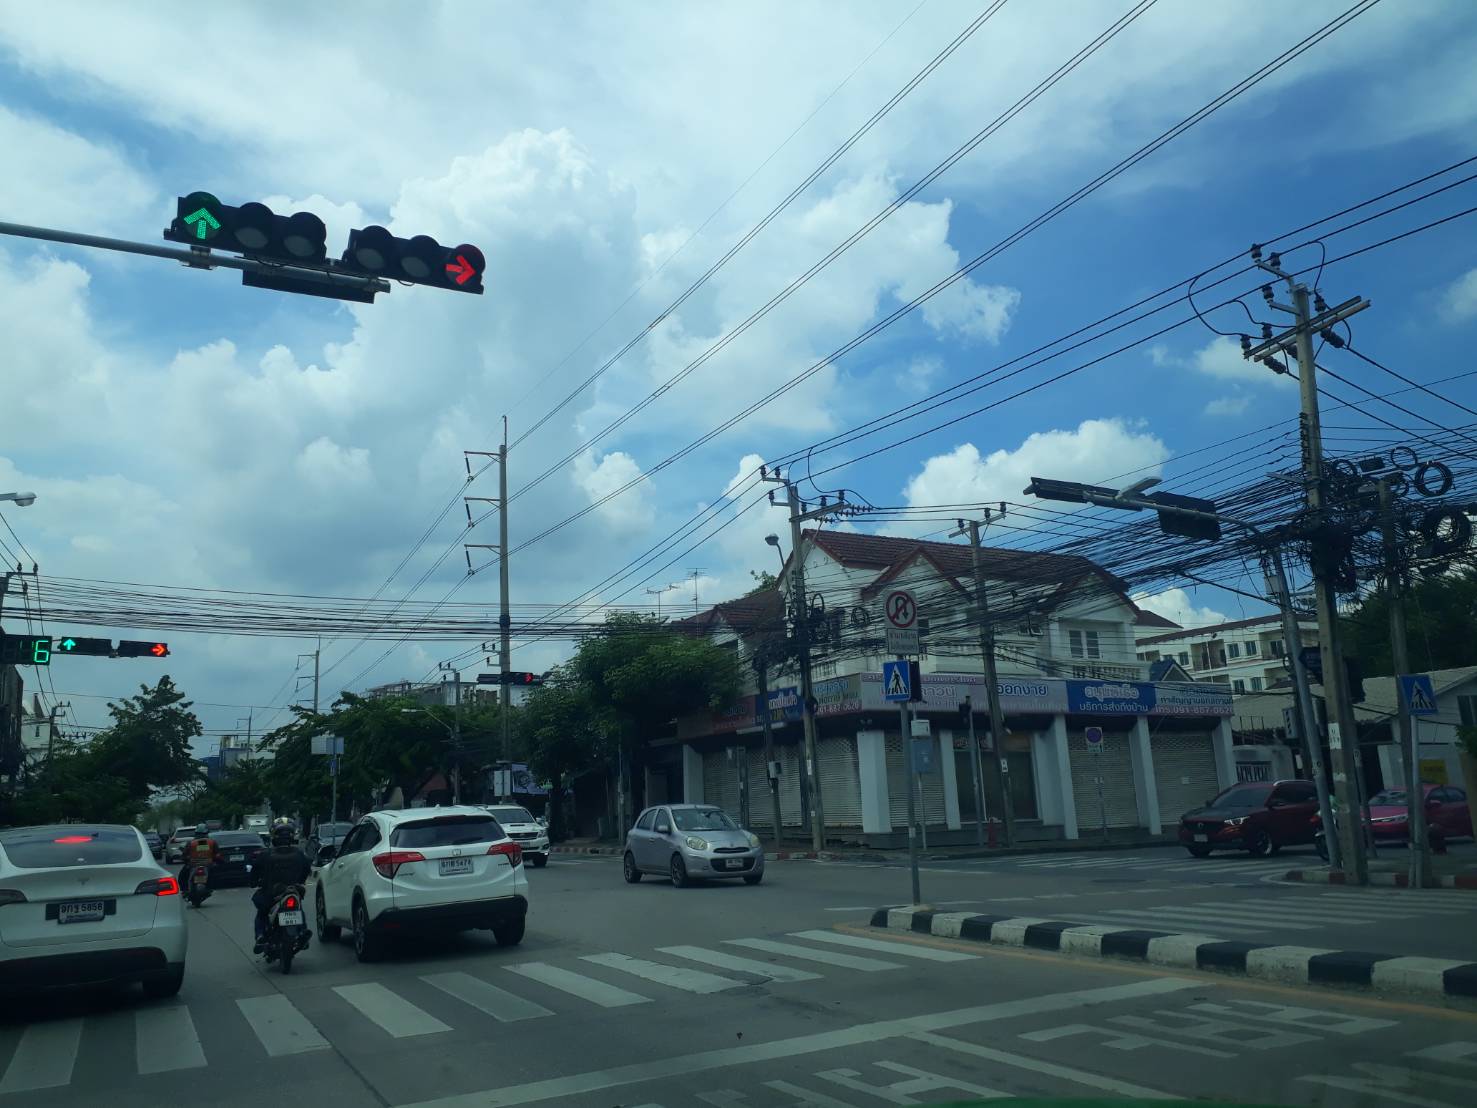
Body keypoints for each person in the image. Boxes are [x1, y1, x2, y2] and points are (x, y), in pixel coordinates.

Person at [252, 818, 312, 953]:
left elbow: (255, 872)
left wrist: (253, 882)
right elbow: (307, 870)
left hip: (271, 894)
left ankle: (260, 935)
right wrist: (300, 882)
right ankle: (302, 931)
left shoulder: (265, 854)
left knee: (261, 912)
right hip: (294, 890)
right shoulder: (299, 853)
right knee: (298, 908)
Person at [179, 822, 219, 892]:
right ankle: (210, 887)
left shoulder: (191, 843)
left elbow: (184, 854)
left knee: (182, 876)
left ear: (196, 833)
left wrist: (185, 859)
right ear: (207, 833)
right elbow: (217, 853)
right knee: (215, 874)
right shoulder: (212, 842)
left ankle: (184, 890)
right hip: (208, 864)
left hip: (194, 864)